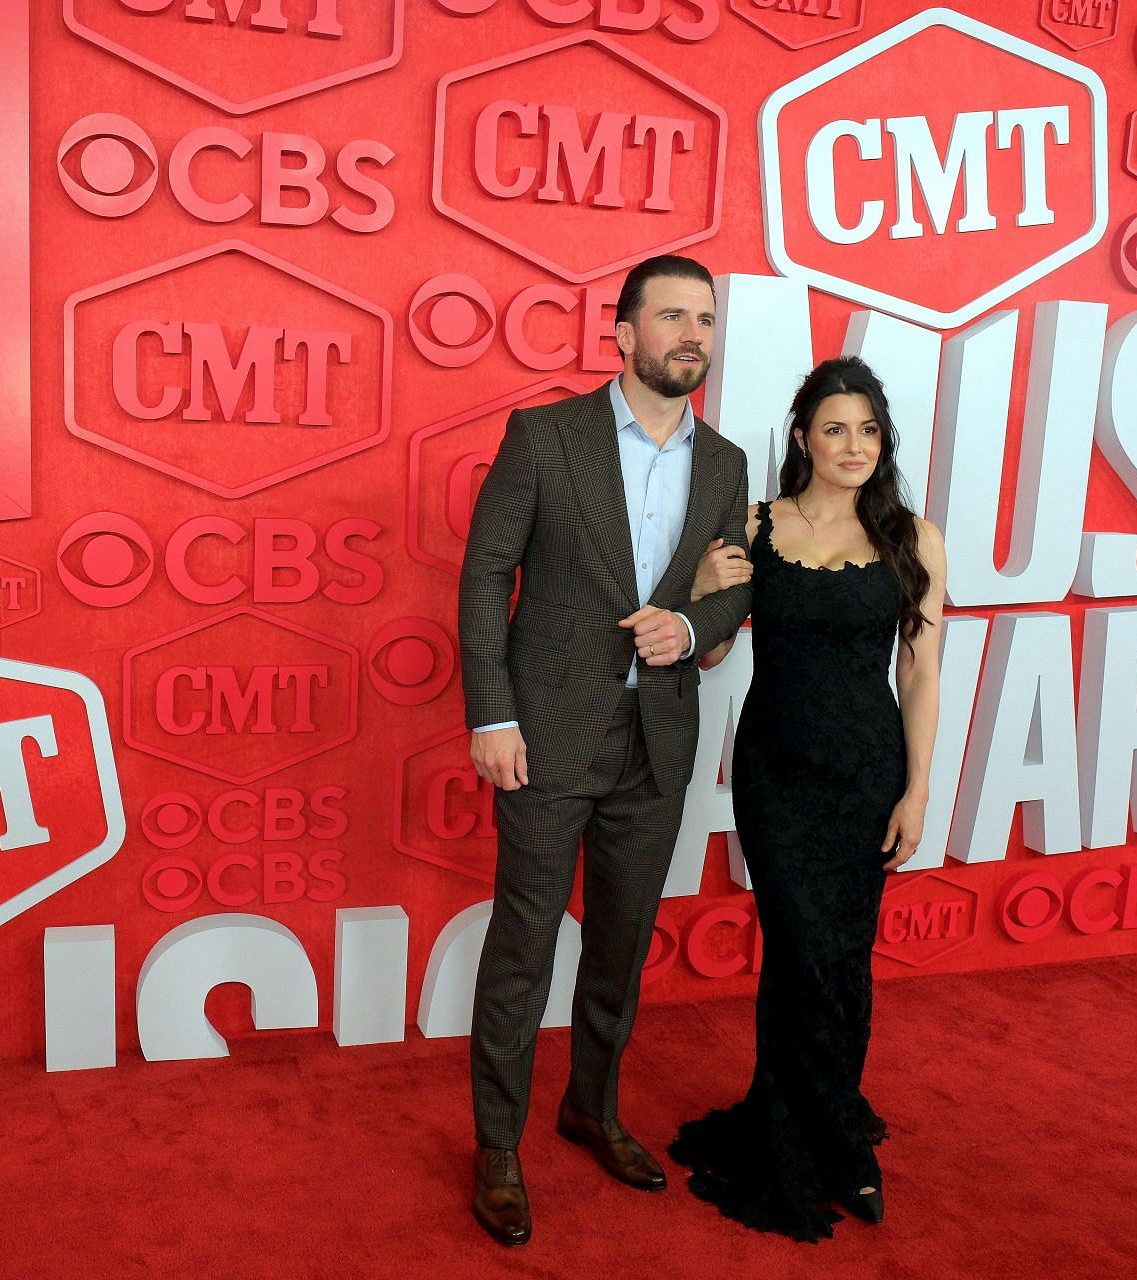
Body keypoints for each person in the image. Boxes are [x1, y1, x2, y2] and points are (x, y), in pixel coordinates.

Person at [457, 255, 756, 1246]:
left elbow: (729, 588)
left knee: (622, 944)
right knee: (523, 945)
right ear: (622, 334)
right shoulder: (544, 436)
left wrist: (691, 619)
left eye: (704, 319)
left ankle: (591, 1105)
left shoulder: (724, 463)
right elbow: (485, 573)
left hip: (655, 740)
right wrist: (492, 717)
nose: (692, 334)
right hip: (543, 737)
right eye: (671, 315)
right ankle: (497, 1142)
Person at [669, 354, 946, 1241]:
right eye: (835, 428)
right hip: (776, 772)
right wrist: (707, 593)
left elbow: (922, 670)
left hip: (866, 775)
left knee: (841, 959)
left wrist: (917, 789)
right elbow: (711, 655)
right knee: (796, 951)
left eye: (868, 429)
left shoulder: (914, 536)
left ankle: (836, 1136)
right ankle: (804, 1143)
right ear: (802, 438)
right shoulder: (756, 526)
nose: (854, 444)